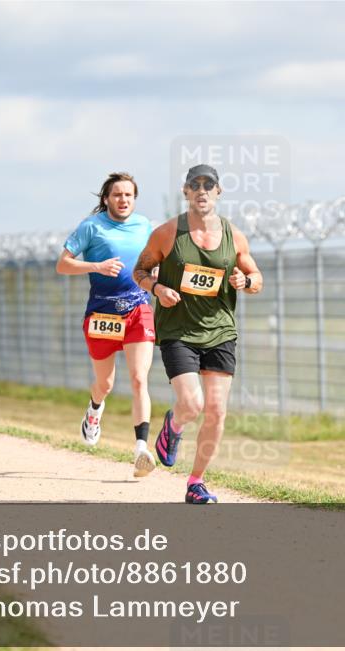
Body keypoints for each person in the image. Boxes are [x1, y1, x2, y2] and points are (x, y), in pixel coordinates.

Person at [132, 164, 262, 503]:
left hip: (220, 330)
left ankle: (196, 483)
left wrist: (245, 280)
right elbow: (139, 271)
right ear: (186, 191)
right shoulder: (167, 233)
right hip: (179, 330)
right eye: (195, 185)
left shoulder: (234, 236)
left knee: (216, 411)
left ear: (218, 191)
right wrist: (157, 288)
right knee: (192, 404)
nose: (202, 191)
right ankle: (173, 426)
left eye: (208, 185)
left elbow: (257, 279)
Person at [57, 172, 157, 477]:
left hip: (138, 308)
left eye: (128, 195)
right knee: (106, 384)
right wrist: (97, 266)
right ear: (106, 199)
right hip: (102, 315)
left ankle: (141, 448)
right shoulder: (92, 227)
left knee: (139, 379)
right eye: (117, 195)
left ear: (134, 199)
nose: (123, 199)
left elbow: (155, 261)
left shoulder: (145, 226)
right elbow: (63, 264)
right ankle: (95, 409)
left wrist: (157, 274)